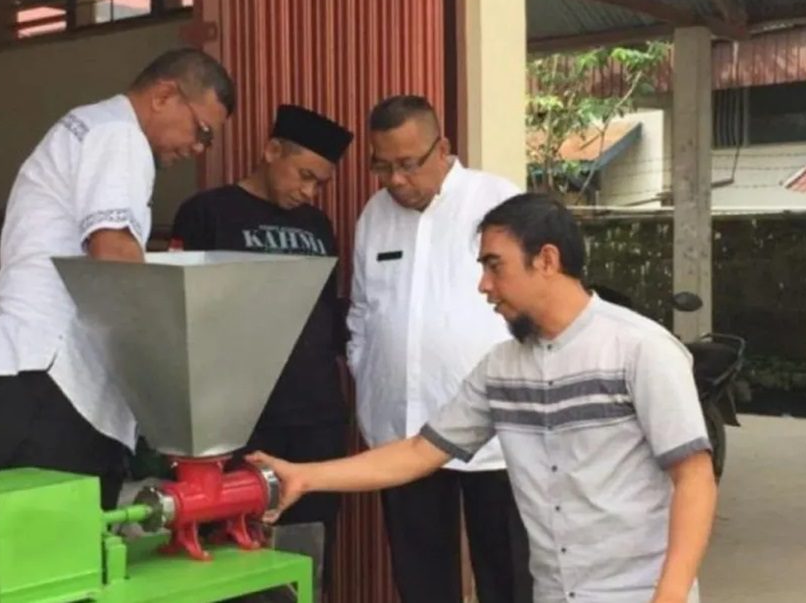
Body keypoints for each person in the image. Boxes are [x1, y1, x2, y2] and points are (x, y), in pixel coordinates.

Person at [256, 193, 718, 603]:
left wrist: (671, 594)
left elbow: (694, 477)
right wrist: (305, 476)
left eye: (494, 265)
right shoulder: (502, 368)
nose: (483, 285)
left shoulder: (640, 349)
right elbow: (418, 453)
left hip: (640, 592)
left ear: (547, 260)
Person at [0, 48, 235, 510]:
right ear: (164, 96)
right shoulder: (119, 136)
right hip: (52, 384)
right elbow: (114, 253)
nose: (197, 149)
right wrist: (171, 373)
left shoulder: (89, 126)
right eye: (201, 131)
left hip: (24, 376)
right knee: (71, 545)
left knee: (51, 546)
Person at [345, 95, 533, 603]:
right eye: (382, 166)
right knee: (421, 576)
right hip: (403, 428)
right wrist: (368, 372)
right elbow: (362, 310)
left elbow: (531, 301)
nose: (395, 180)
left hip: (494, 430)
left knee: (508, 573)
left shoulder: (497, 202)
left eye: (408, 164)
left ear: (443, 148)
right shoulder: (374, 215)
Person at [169, 103, 353, 593]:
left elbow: (326, 312)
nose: (309, 191)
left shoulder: (318, 226)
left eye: (320, 183)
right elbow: (182, 314)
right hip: (241, 420)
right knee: (234, 548)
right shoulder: (208, 213)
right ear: (272, 151)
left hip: (314, 415)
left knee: (308, 548)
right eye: (304, 175)